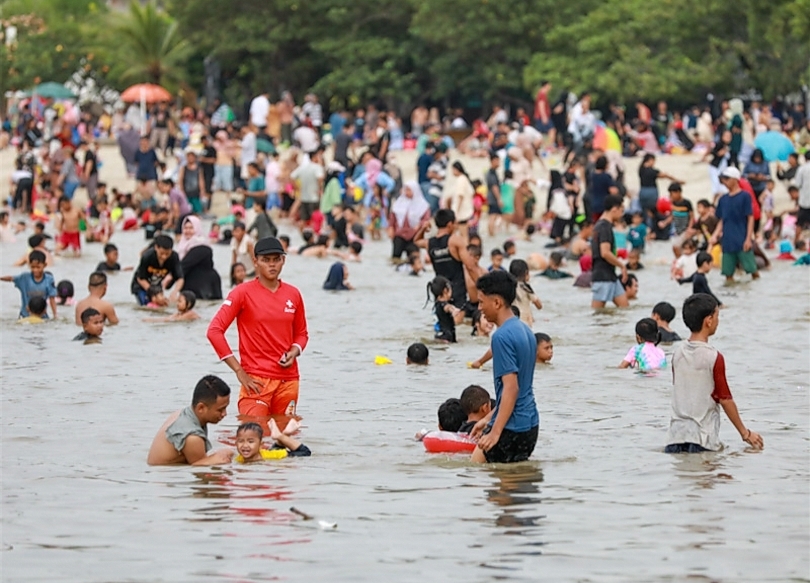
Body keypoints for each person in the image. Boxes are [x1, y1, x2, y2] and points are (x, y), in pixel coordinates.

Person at [207, 237, 309, 417]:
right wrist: (239, 370)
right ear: (255, 262)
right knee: (253, 434)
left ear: (283, 260)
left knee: (284, 438)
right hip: (255, 381)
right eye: (266, 260)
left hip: (288, 380)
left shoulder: (293, 294)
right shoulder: (242, 293)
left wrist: (294, 351)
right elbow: (214, 331)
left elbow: (301, 334)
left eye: (276, 259)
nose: (272, 265)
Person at [665, 293, 764, 453]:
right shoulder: (714, 357)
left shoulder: (677, 354)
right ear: (708, 320)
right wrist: (745, 434)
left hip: (674, 438)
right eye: (717, 316)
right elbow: (725, 399)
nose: (718, 321)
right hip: (702, 440)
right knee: (710, 477)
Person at [469, 271, 539, 463]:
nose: (480, 307)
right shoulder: (525, 330)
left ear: (497, 303)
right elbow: (521, 390)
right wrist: (486, 420)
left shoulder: (501, 337)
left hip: (511, 428)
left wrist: (495, 432)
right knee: (515, 487)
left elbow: (511, 388)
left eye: (482, 302)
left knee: (473, 473)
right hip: (530, 426)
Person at [147, 375, 235, 466]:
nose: (225, 414)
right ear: (201, 408)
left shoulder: (180, 414)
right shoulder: (193, 437)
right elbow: (199, 469)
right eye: (220, 410)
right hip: (165, 476)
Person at [414, 209, 478, 310]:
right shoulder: (455, 240)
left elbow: (416, 241)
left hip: (440, 293)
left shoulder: (429, 243)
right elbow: (470, 267)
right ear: (449, 224)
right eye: (455, 223)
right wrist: (484, 287)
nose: (456, 226)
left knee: (443, 319)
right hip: (457, 293)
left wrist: (423, 229)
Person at [711, 168, 759, 282]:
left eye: (727, 179)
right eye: (723, 179)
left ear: (735, 179)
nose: (725, 182)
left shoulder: (745, 196)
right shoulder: (723, 199)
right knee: (727, 274)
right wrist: (715, 235)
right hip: (727, 240)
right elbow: (722, 220)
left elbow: (750, 217)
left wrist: (748, 238)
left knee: (752, 270)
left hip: (741, 238)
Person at [591, 195, 629, 308]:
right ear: (614, 209)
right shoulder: (604, 227)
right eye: (621, 210)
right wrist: (622, 265)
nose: (622, 214)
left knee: (624, 309)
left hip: (610, 275)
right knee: (598, 313)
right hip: (602, 275)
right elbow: (605, 252)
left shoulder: (600, 225)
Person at [176, 216, 222, 301]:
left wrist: (169, 279)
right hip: (191, 286)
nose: (188, 231)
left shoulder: (202, 246)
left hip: (205, 286)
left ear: (197, 228)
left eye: (191, 228)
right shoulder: (182, 246)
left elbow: (183, 265)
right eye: (185, 228)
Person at [130, 234, 184, 306]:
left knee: (161, 306)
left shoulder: (174, 257)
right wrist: (153, 293)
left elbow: (180, 278)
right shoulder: (147, 256)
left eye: (167, 254)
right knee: (146, 306)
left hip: (157, 286)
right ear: (156, 248)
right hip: (141, 286)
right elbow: (140, 278)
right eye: (161, 253)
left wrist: (175, 292)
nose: (164, 257)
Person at [2, 251, 57, 319]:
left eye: (38, 267)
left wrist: (55, 315)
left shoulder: (49, 279)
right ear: (29, 265)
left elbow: (52, 299)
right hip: (25, 316)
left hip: (42, 316)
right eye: (32, 267)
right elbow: (11, 278)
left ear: (45, 265)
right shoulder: (24, 278)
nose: (35, 270)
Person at [389, 181, 430, 260]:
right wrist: (391, 228)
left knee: (414, 258)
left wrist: (419, 225)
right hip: (400, 234)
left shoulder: (423, 205)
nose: (407, 192)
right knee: (396, 257)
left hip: (415, 235)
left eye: (409, 190)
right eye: (406, 190)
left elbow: (425, 219)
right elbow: (393, 217)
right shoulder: (399, 203)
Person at [234, 421, 311, 463]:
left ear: (261, 444)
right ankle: (286, 434)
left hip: (273, 453)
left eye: (250, 442)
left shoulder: (271, 456)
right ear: (236, 443)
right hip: (270, 451)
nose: (245, 445)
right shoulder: (239, 459)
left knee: (305, 452)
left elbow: (306, 452)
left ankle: (280, 436)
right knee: (276, 448)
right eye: (241, 441)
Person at [426, 276, 463, 343]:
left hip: (439, 335)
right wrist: (454, 310)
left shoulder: (437, 305)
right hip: (446, 337)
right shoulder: (443, 305)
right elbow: (448, 307)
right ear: (445, 290)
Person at [509, 259, 542, 327]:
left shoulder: (508, 287)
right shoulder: (526, 287)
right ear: (526, 273)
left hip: (512, 321)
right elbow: (539, 306)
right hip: (525, 322)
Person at [486, 154, 503, 236]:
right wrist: (499, 199)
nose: (498, 163)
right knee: (493, 216)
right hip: (493, 198)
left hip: (491, 198)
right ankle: (491, 233)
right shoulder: (491, 173)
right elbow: (494, 187)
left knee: (493, 216)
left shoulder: (492, 173)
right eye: (497, 161)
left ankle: (491, 233)